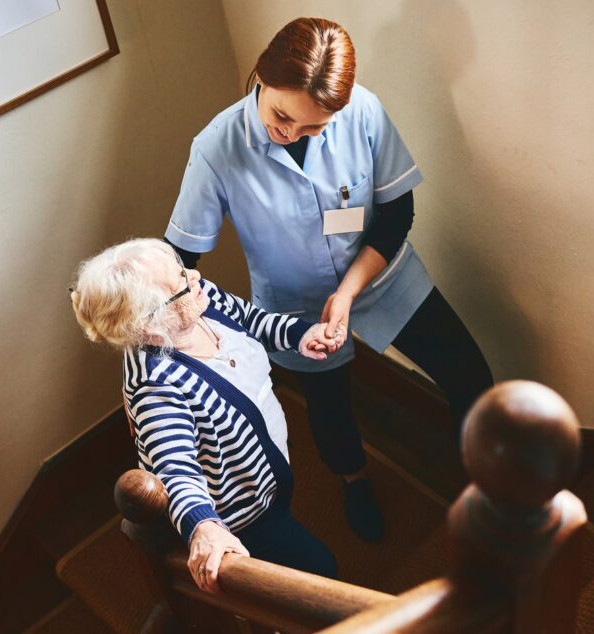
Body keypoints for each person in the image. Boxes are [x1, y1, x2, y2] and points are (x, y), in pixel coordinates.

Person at [163, 17, 494, 542]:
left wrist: (347, 292)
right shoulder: (216, 149)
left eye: (313, 128)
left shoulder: (362, 111)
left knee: (471, 374)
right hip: (293, 302)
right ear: (261, 75)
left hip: (379, 273)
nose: (290, 133)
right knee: (330, 406)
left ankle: (481, 492)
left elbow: (395, 214)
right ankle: (353, 479)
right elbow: (180, 258)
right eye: (281, 116)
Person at [70, 238, 341, 592]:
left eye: (183, 270)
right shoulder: (156, 389)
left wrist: (299, 335)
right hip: (245, 512)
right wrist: (204, 526)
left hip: (268, 475)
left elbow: (250, 320)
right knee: (321, 573)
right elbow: (175, 469)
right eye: (181, 281)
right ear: (149, 322)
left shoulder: (197, 301)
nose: (196, 277)